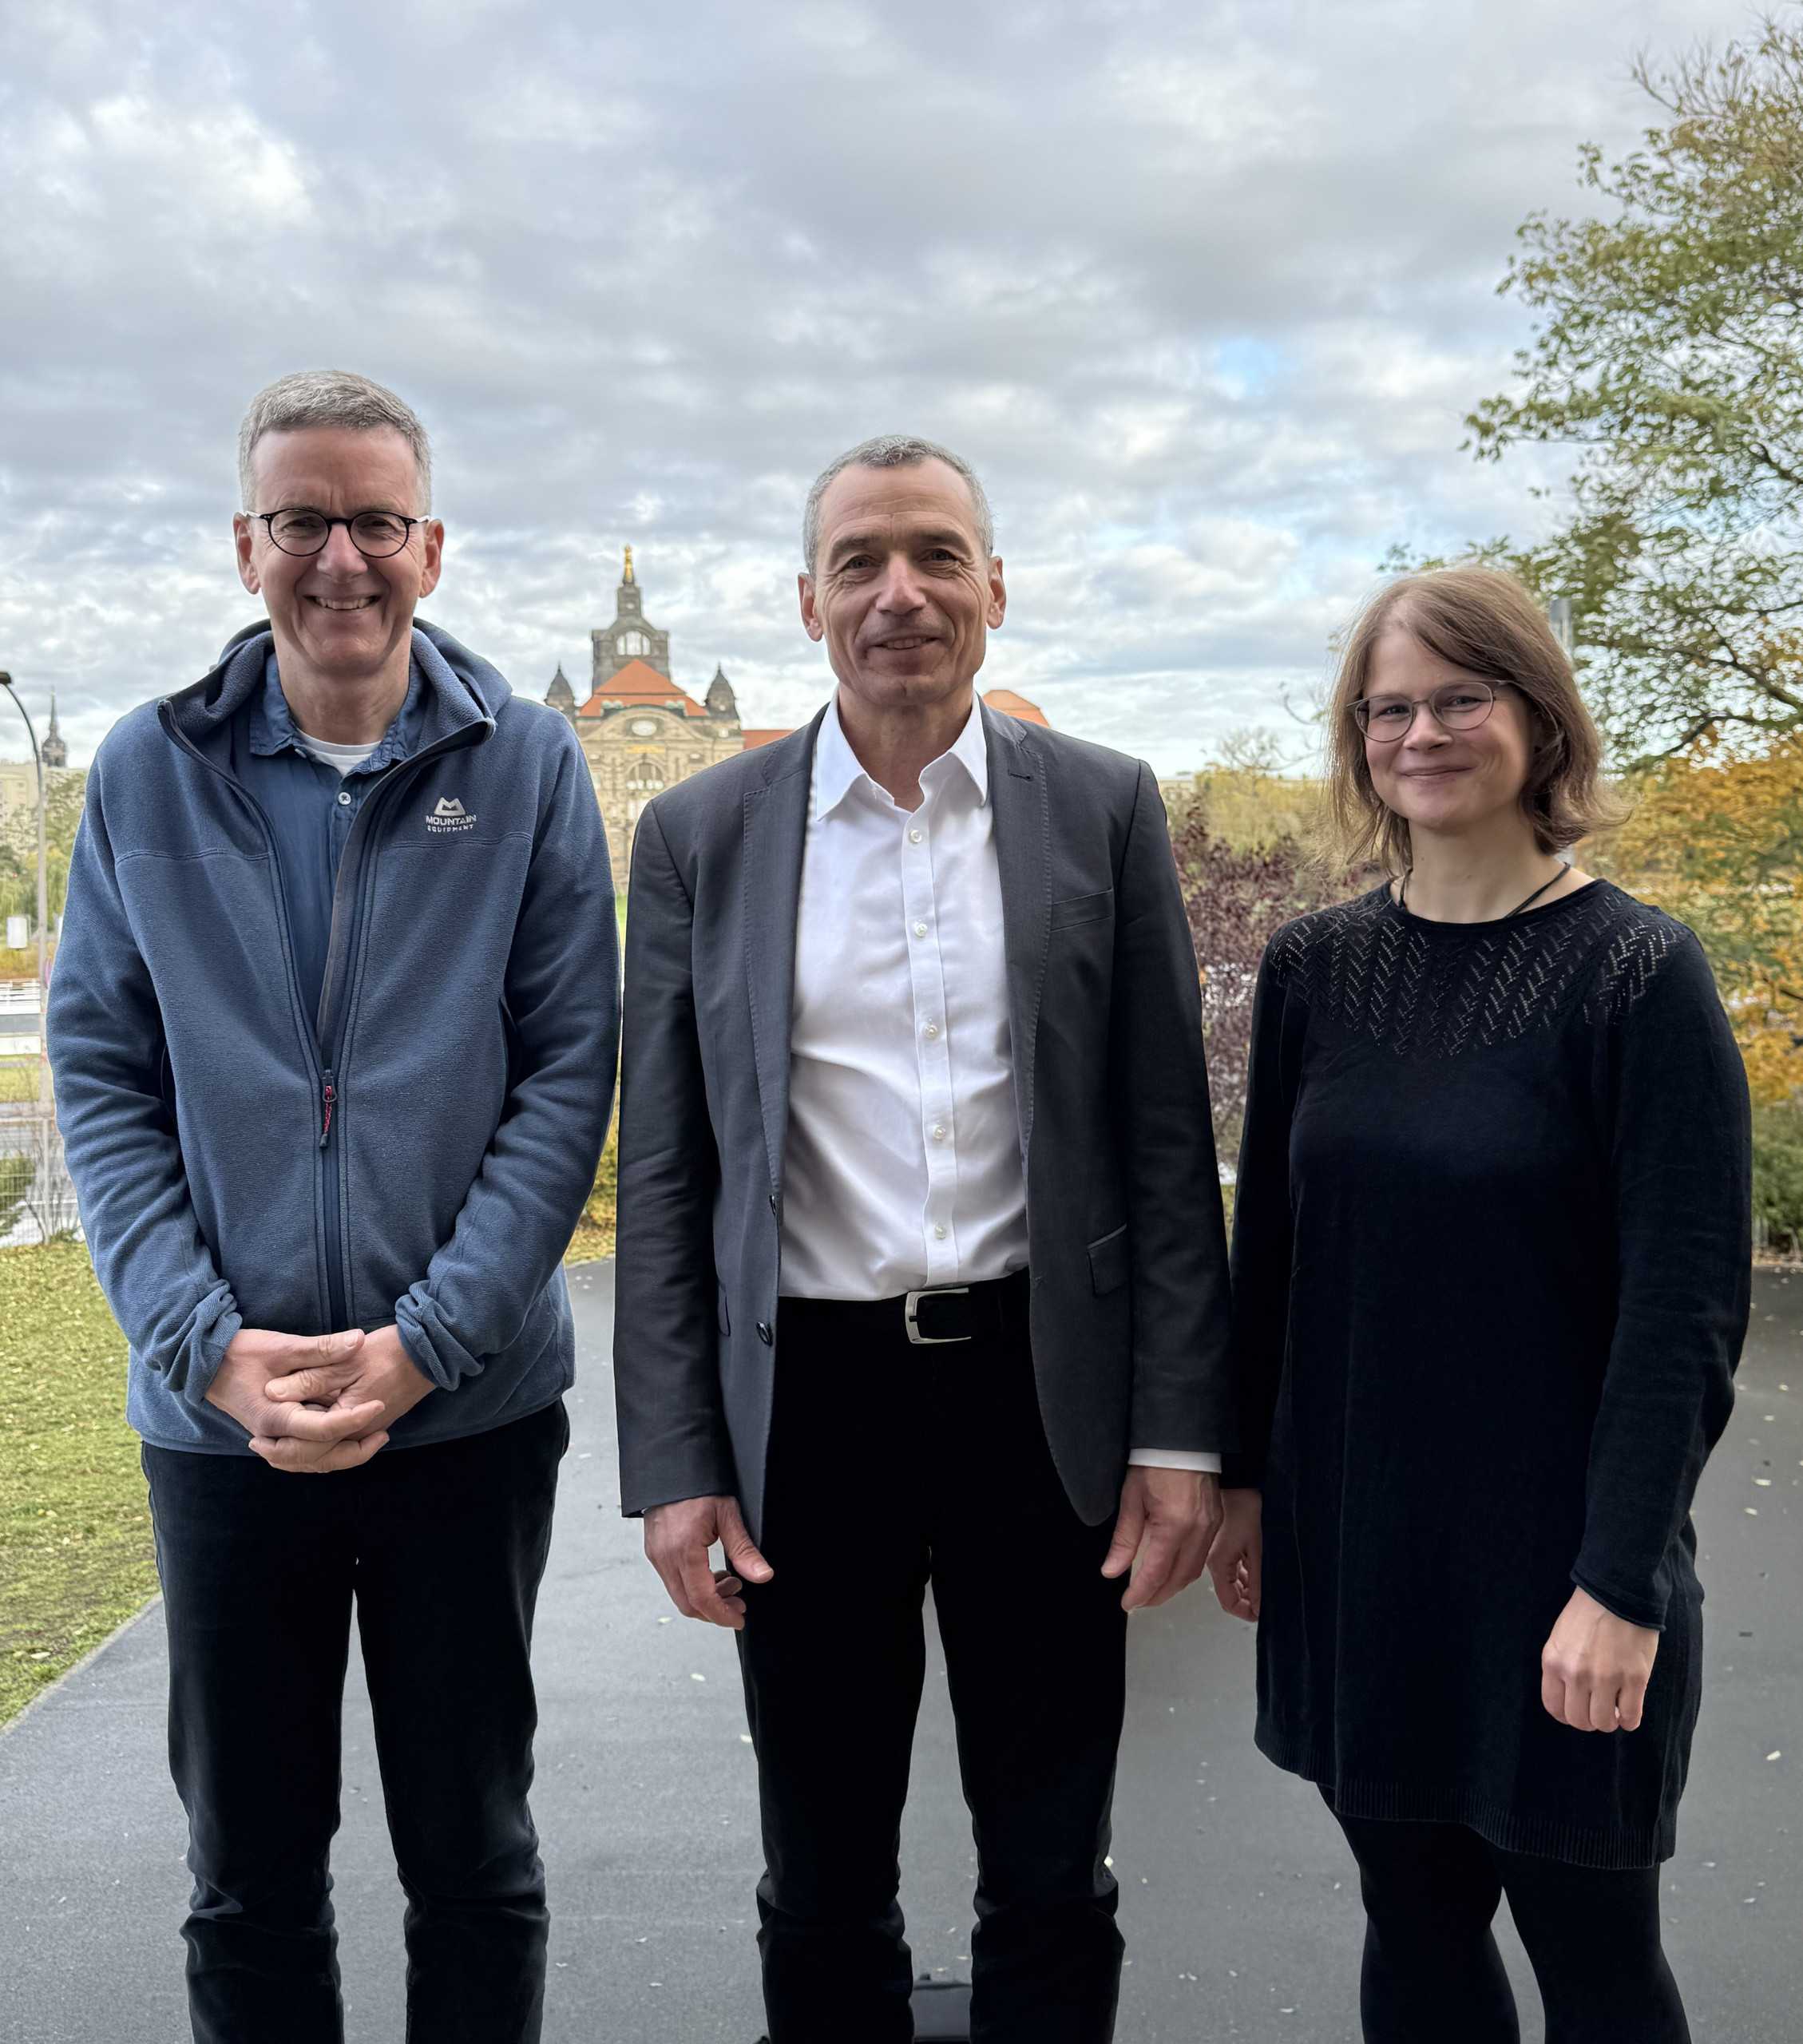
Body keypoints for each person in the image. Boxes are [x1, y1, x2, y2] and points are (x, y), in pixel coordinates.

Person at [611, 433, 1233, 2043]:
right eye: (862, 561)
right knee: (821, 1866)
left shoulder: (1100, 805)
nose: (900, 592)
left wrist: (1180, 1434)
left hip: (1045, 1396)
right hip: (808, 1411)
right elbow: (670, 1170)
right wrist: (674, 1460)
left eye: (937, 554)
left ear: (993, 588)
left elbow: (1166, 1145)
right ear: (808, 600)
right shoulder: (702, 834)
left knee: (1050, 1859)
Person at [49, 369, 618, 2044]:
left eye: (377, 521)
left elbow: (564, 1074)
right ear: (247, 545)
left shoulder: (527, 763)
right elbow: (103, 1076)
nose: (342, 559)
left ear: (431, 547)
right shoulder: (146, 769)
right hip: (223, 1422)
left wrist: (430, 1339)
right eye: (303, 520)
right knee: (248, 1876)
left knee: (474, 1858)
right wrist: (205, 1344)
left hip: (464, 1412)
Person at [1207, 566, 1750, 2044]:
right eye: (1387, 708)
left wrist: (1619, 1588)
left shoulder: (1636, 974)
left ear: (1538, 718)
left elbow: (1682, 1317)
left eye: (1460, 698)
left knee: (1595, 1956)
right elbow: (1275, 1253)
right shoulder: (1313, 967)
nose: (1420, 734)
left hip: (1562, 1569)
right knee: (1413, 1923)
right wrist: (1243, 1483)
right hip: (1361, 1552)